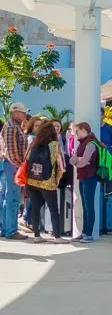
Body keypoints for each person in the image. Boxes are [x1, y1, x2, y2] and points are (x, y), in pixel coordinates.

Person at [25, 121, 68, 244]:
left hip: (32, 180)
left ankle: (37, 236)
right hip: (47, 181)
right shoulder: (54, 144)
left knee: (35, 208)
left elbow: (26, 158)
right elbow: (59, 164)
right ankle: (57, 237)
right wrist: (58, 179)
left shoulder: (34, 143)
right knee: (53, 209)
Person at [69, 122, 102, 244]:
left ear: (84, 130)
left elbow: (80, 162)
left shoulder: (90, 145)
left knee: (89, 206)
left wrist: (78, 160)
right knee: (85, 206)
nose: (76, 133)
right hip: (83, 177)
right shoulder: (82, 144)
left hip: (89, 177)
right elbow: (73, 160)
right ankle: (84, 232)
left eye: (77, 131)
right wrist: (79, 160)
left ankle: (89, 234)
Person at [0, 102, 29, 240]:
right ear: (15, 112)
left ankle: (6, 229)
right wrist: (20, 166)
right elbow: (12, 151)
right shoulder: (12, 127)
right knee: (12, 197)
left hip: (9, 165)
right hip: (13, 165)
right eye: (22, 112)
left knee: (7, 196)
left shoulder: (13, 126)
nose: (24, 114)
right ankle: (11, 230)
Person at [99, 109, 112, 194]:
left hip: (108, 160)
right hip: (93, 160)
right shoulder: (89, 128)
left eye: (99, 114)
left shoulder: (110, 128)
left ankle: (108, 203)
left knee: (108, 185)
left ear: (103, 116)